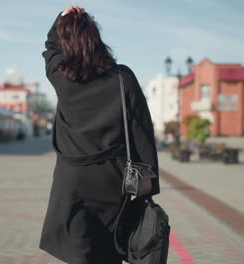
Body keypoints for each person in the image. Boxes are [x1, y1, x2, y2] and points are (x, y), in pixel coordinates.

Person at [39, 6, 160, 264]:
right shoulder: (122, 78)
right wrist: (148, 187)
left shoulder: (62, 77)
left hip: (71, 182)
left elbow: (50, 48)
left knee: (79, 250)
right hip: (111, 181)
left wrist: (62, 17)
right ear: (96, 40)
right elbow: (141, 131)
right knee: (107, 251)